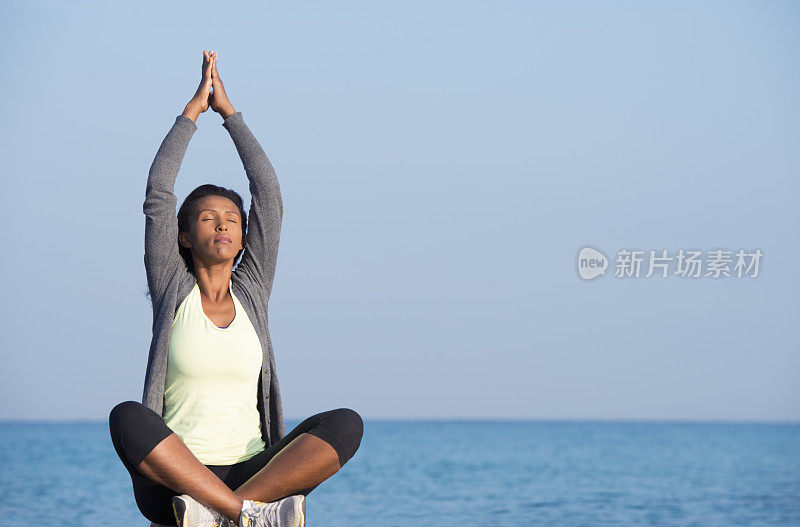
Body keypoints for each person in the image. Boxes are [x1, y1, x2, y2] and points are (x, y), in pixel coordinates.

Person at [108, 50, 364, 527]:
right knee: (126, 416)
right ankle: (243, 515)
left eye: (231, 220)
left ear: (245, 237)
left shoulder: (252, 291)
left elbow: (269, 194)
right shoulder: (172, 288)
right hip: (177, 480)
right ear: (185, 236)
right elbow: (159, 192)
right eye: (208, 218)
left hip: (254, 468)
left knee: (345, 423)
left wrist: (230, 115)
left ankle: (223, 512)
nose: (222, 225)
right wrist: (192, 113)